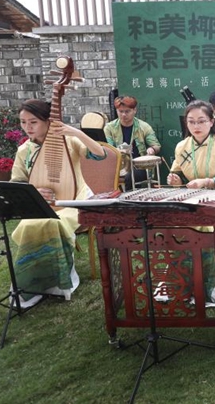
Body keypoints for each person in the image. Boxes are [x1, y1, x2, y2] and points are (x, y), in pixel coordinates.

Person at [10, 99, 107, 307]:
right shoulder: (24, 151)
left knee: (56, 222)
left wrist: (76, 133)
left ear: (48, 121)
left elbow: (100, 155)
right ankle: (32, 284)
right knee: (29, 224)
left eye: (33, 122)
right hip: (42, 205)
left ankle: (63, 280)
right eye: (23, 122)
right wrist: (33, 190)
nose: (27, 127)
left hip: (75, 201)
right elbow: (16, 183)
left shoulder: (68, 141)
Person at [167, 100, 215, 303]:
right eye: (191, 122)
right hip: (192, 199)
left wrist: (206, 182)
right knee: (177, 230)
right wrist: (175, 179)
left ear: (211, 121)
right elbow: (176, 172)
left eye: (201, 121)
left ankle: (211, 287)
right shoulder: (182, 146)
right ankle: (186, 282)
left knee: (209, 232)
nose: (196, 126)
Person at [103, 95, 161, 190]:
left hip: (139, 167)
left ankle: (129, 201)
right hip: (117, 165)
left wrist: (152, 149)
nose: (124, 115)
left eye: (127, 111)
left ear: (134, 110)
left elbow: (156, 146)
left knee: (130, 177)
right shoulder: (109, 128)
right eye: (120, 111)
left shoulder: (144, 127)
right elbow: (108, 148)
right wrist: (119, 151)